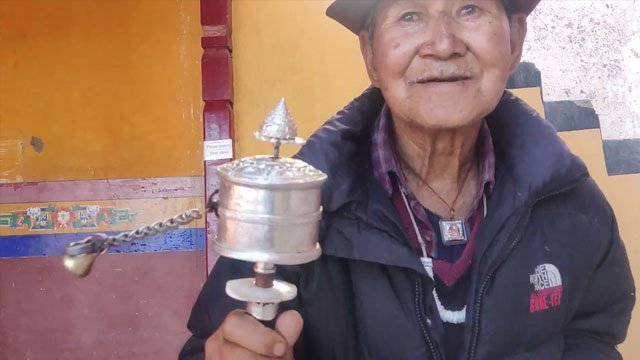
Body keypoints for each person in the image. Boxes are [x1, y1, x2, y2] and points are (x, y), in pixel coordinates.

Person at [179, 0, 635, 359]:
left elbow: (592, 334)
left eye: (470, 9)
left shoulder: (569, 202)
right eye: (410, 15)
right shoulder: (293, 209)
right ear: (370, 56)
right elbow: (212, 345)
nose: (442, 43)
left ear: (515, 40)